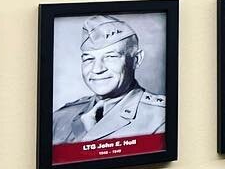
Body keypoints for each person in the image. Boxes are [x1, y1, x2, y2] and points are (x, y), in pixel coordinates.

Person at [51, 14, 166, 145]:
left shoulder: (160, 118)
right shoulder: (60, 118)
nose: (97, 69)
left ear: (136, 59)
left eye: (111, 57)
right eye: (89, 59)